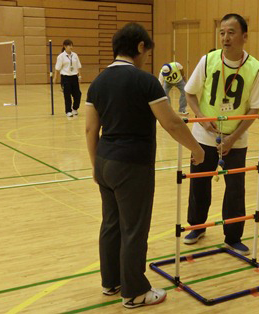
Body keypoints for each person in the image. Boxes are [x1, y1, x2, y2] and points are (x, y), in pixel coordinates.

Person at [85, 23, 204, 309]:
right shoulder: (144, 80)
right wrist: (197, 150)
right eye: (146, 52)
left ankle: (111, 282)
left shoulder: (97, 82)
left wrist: (95, 165)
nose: (146, 59)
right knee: (134, 229)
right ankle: (135, 292)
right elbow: (172, 122)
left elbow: (91, 130)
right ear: (140, 47)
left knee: (111, 224)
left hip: (104, 162)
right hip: (132, 166)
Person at [183, 13, 259, 256]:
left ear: (244, 36)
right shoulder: (208, 60)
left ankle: (233, 236)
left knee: (235, 188)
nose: (225, 37)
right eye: (222, 32)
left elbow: (254, 108)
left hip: (236, 139)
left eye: (231, 32)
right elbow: (190, 94)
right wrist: (201, 117)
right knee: (199, 183)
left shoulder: (255, 68)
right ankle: (197, 227)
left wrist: (232, 138)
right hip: (203, 136)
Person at [53, 39, 82, 117]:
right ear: (65, 46)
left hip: (74, 77)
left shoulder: (75, 55)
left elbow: (78, 66)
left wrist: (79, 76)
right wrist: (55, 78)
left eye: (72, 45)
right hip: (65, 78)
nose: (71, 47)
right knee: (67, 95)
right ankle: (68, 111)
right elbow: (57, 68)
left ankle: (75, 108)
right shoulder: (61, 56)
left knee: (78, 94)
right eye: (69, 45)